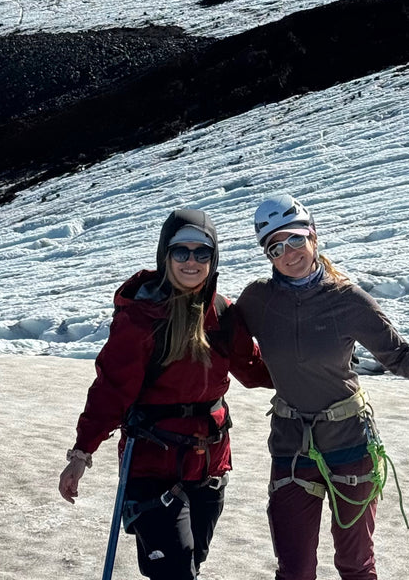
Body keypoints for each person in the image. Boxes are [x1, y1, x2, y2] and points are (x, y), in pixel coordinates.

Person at [236, 194, 409, 580]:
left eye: (295, 240)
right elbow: (215, 339)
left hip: (350, 443)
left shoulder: (348, 301)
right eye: (275, 247)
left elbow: (400, 357)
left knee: (355, 566)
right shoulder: (258, 300)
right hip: (291, 448)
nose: (289, 253)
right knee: (294, 571)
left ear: (313, 236)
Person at [59, 207, 272, 579]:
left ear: (213, 257)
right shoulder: (141, 318)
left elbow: (255, 371)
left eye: (201, 252)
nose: (192, 261)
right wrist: (82, 453)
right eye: (181, 251)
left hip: (209, 464)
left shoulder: (223, 315)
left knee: (188, 565)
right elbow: (111, 389)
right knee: (175, 570)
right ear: (165, 255)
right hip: (150, 464)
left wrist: (318, 371)